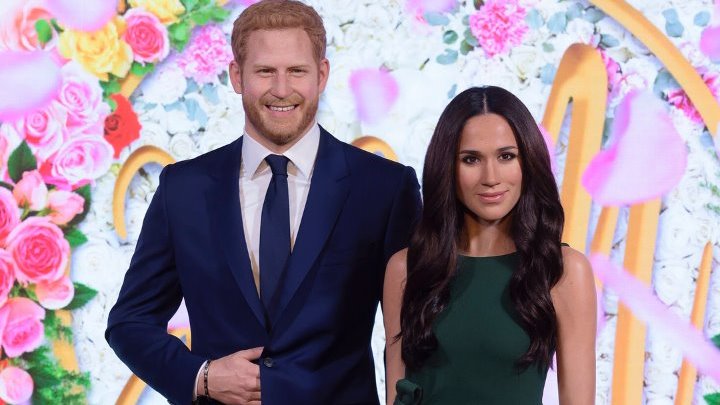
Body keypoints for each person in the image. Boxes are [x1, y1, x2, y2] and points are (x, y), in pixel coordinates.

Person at [106, 1, 421, 404]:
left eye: (297, 71)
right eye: (265, 71)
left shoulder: (384, 188)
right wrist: (202, 377)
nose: (282, 89)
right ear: (237, 76)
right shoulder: (183, 189)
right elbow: (129, 322)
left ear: (322, 75)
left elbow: (415, 331)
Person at [383, 86, 596, 404]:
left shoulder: (563, 271)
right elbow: (396, 393)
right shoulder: (406, 268)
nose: (491, 177)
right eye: (471, 159)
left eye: (506, 156)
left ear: (528, 162)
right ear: (447, 167)